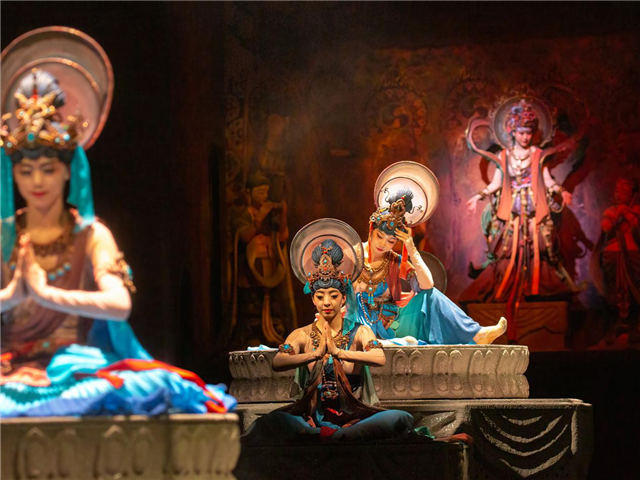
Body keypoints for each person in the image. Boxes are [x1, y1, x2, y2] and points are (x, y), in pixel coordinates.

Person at [0, 69, 234, 417]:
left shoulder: (92, 234)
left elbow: (119, 304)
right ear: (13, 174)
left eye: (48, 169)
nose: (37, 182)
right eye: (25, 171)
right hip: (9, 366)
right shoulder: (4, 235)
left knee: (148, 385)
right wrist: (13, 295)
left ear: (67, 170)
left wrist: (46, 295)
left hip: (73, 365)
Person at [242, 229, 415, 442]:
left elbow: (379, 358)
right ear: (313, 299)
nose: (326, 302)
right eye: (320, 296)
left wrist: (338, 352)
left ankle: (328, 437)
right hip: (312, 418)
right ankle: (332, 436)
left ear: (343, 299)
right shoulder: (302, 334)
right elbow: (278, 362)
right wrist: (314, 355)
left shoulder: (360, 331)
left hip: (353, 418)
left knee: (401, 418)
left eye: (333, 296)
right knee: (270, 422)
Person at [462, 97, 586, 340]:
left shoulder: (538, 155)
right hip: (511, 214)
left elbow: (547, 181)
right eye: (521, 132)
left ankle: (536, 292)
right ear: (512, 131)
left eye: (529, 132)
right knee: (506, 253)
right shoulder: (505, 156)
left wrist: (561, 191)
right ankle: (505, 296)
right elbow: (496, 184)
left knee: (540, 250)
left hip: (534, 212)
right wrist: (478, 196)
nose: (525, 137)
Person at [355, 189, 506, 344]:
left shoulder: (394, 261)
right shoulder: (354, 256)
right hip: (359, 322)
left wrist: (411, 249)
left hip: (394, 325)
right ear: (371, 229)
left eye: (391, 241)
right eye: (379, 236)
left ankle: (477, 334)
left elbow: (427, 285)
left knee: (430, 294)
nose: (383, 244)